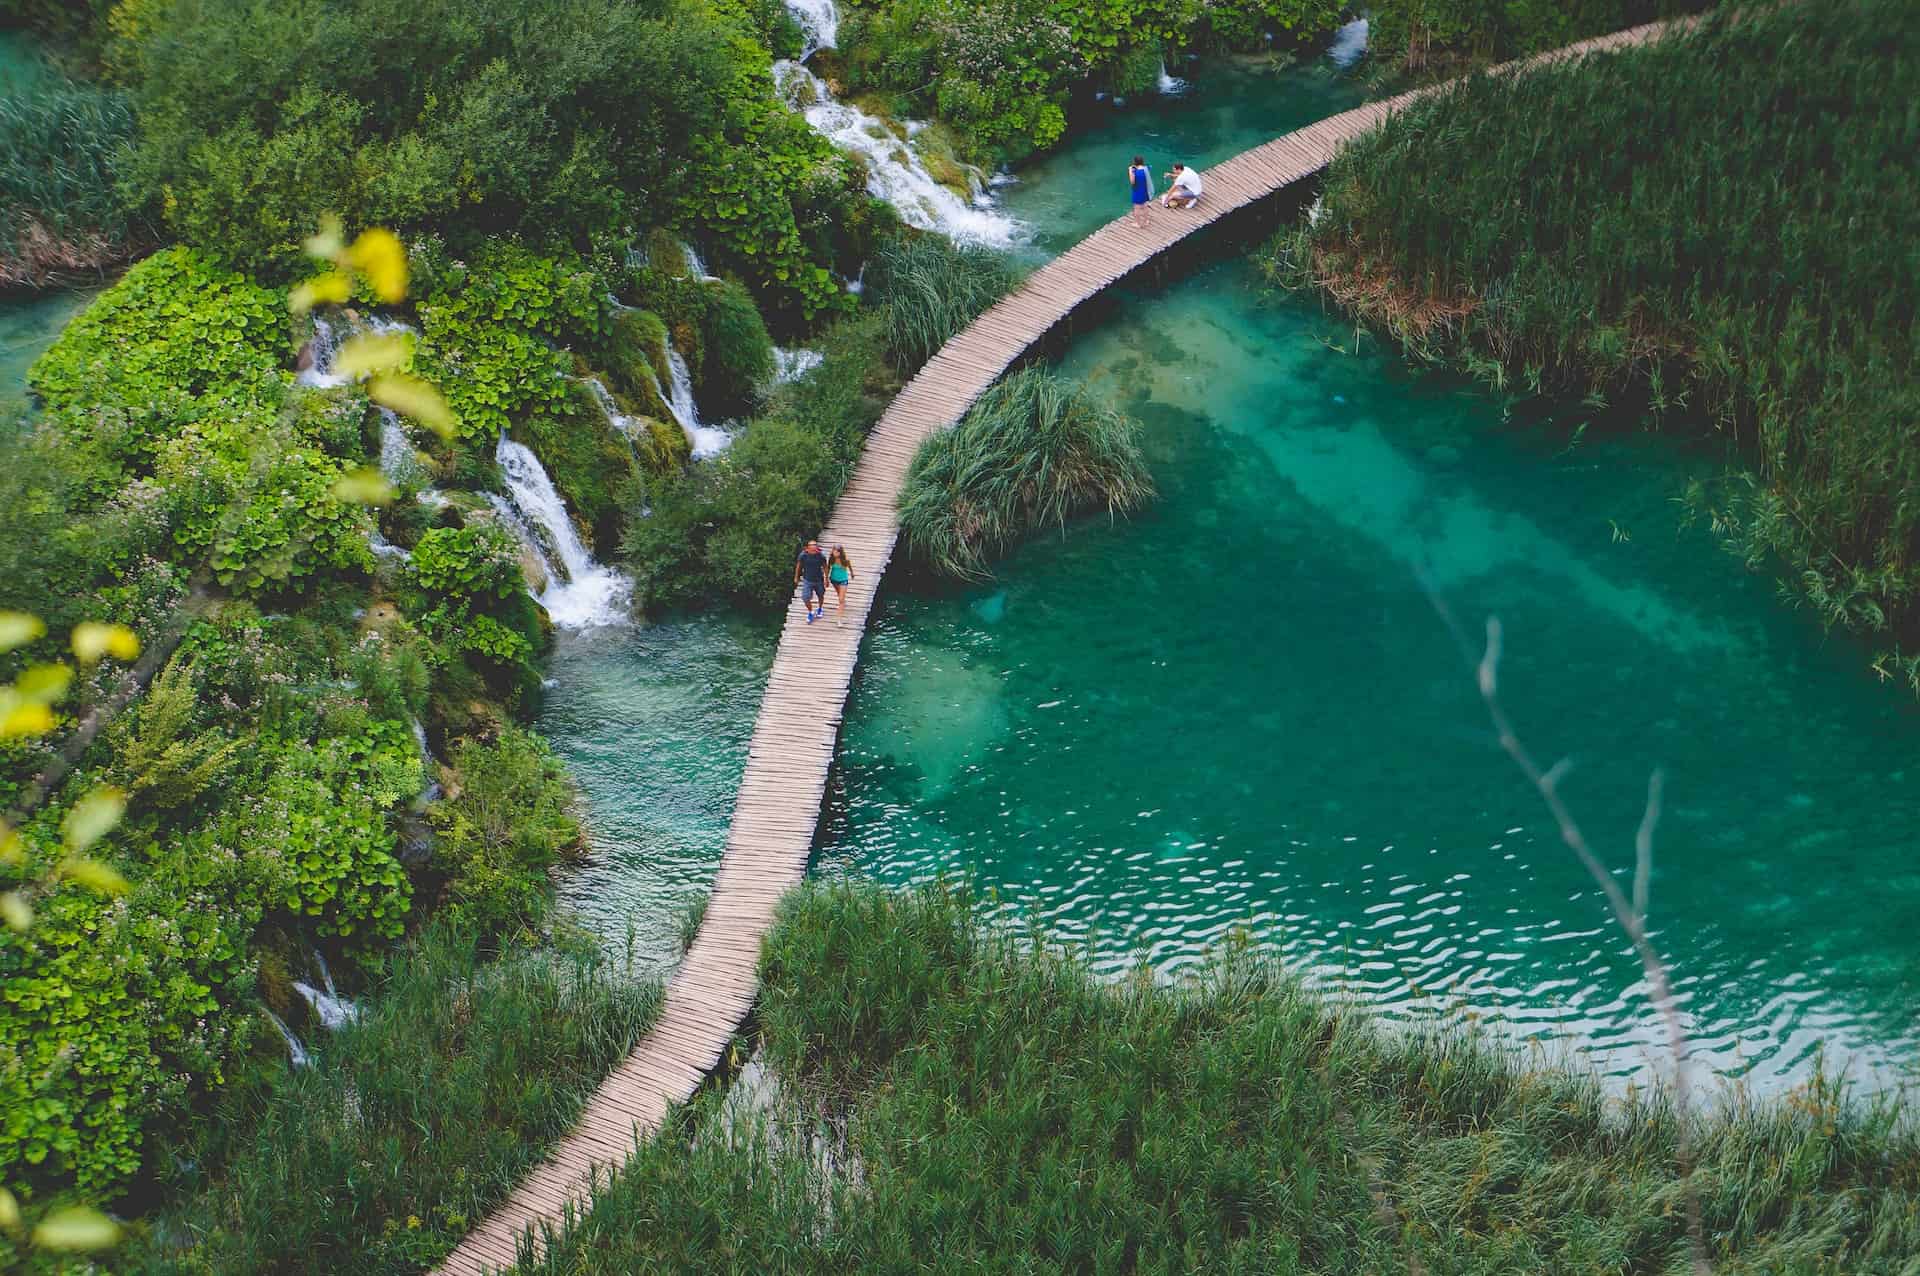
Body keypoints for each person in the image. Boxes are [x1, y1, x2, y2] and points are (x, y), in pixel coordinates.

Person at [794, 538, 828, 624]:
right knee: (805, 597)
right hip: (807, 580)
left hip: (819, 579)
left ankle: (820, 609)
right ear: (808, 547)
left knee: (820, 595)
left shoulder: (821, 556)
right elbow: (798, 566)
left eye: (815, 545)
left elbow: (825, 567)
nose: (814, 547)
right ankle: (811, 612)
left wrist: (826, 579)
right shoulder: (803, 555)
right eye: (812, 545)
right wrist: (796, 577)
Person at [826, 546, 855, 624]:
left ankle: (839, 620)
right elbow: (828, 569)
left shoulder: (845, 560)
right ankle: (843, 602)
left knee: (841, 600)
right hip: (834, 580)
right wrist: (826, 579)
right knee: (839, 594)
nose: (834, 553)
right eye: (833, 551)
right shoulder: (831, 559)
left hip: (843, 580)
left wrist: (852, 574)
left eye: (836, 552)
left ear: (840, 553)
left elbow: (849, 566)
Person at [1127, 155, 1153, 228]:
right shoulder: (1146, 169)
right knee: (1145, 206)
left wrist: (1130, 171)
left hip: (1138, 191)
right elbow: (1149, 167)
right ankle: (1146, 221)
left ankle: (1138, 224)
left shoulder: (1135, 172)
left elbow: (1132, 182)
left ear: (1134, 162)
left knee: (1137, 208)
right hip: (1146, 191)